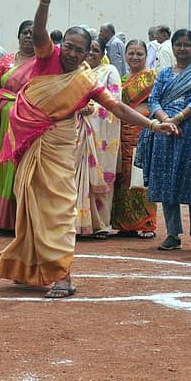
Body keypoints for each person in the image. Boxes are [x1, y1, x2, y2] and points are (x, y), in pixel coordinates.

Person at [0, 0, 178, 299]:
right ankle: (30, 268)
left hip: (61, 147)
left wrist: (152, 125)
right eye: (71, 47)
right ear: (61, 46)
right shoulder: (46, 58)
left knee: (59, 210)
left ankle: (63, 276)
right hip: (31, 145)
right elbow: (39, 30)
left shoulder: (88, 81)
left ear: (91, 51)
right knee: (31, 207)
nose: (74, 54)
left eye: (82, 49)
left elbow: (118, 108)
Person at [138, 29, 191, 253]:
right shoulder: (164, 74)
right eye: (178, 44)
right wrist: (166, 121)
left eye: (186, 45)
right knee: (166, 181)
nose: (182, 49)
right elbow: (153, 100)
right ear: (172, 47)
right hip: (165, 132)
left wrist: (178, 119)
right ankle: (172, 234)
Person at [0, 20, 36, 235]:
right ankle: (5, 220)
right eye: (25, 32)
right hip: (4, 122)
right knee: (6, 166)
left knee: (27, 167)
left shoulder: (44, 62)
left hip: (31, 123)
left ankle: (26, 220)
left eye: (33, 33)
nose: (29, 37)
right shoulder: (6, 60)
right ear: (18, 36)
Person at [111, 40, 159, 238]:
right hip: (121, 132)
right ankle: (125, 223)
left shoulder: (152, 77)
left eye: (139, 54)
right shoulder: (121, 79)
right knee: (123, 177)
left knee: (140, 176)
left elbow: (157, 101)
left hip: (142, 132)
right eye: (131, 53)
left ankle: (147, 223)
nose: (135, 57)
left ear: (146, 55)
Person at [75, 39, 121, 239]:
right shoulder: (77, 72)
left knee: (99, 175)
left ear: (102, 52)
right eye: (89, 50)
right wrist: (77, 109)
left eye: (96, 50)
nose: (91, 53)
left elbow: (114, 102)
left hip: (101, 134)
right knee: (72, 177)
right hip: (77, 132)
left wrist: (91, 109)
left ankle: (101, 224)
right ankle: (76, 222)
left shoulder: (109, 71)